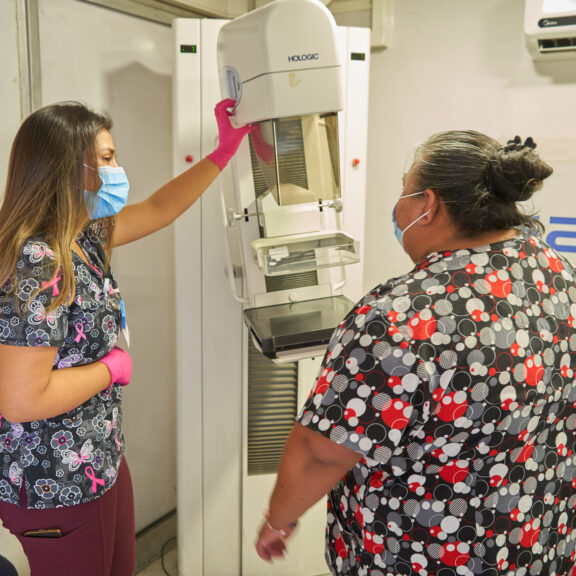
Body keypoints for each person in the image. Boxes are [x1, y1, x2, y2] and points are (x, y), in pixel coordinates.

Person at [255, 131, 576, 576]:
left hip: (425, 554)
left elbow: (322, 451)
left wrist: (278, 518)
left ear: (428, 205)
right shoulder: (556, 272)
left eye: (403, 191)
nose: (397, 207)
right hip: (536, 543)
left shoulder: (401, 319)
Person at [0, 98, 249, 576]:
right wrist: (111, 368)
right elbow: (21, 399)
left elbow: (159, 208)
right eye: (108, 158)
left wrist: (224, 151)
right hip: (55, 480)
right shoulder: (38, 261)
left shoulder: (80, 237)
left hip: (99, 454)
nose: (119, 169)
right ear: (67, 169)